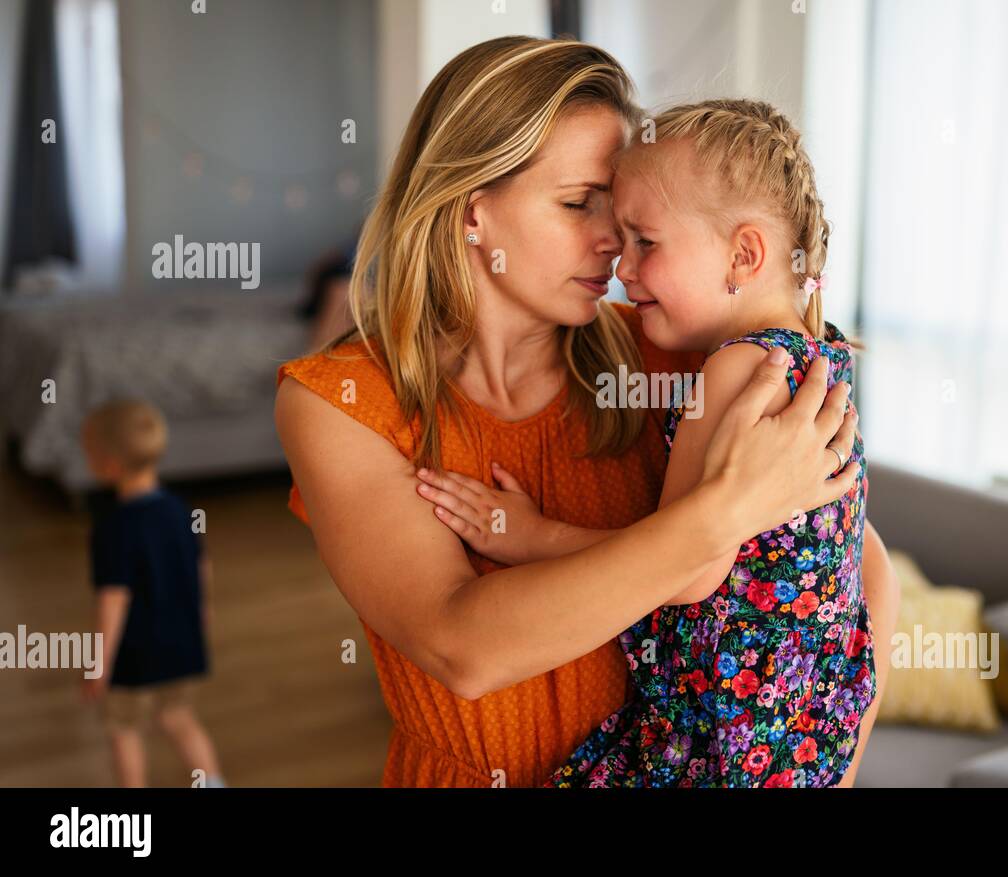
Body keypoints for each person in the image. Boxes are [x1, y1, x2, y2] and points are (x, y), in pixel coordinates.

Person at [274, 36, 896, 788]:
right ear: (474, 212)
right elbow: (461, 645)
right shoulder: (341, 401)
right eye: (579, 204)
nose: (612, 244)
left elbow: (860, 557)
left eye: (629, 216)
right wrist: (724, 512)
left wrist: (834, 765)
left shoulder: (665, 348)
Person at [418, 99, 874, 787]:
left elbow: (689, 564)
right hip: (802, 732)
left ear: (743, 253)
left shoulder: (734, 369)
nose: (621, 267)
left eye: (646, 242)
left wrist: (531, 535)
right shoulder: (821, 354)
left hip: (720, 743)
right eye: (588, 211)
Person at [80, 399, 225, 788]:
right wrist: (202, 611)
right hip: (181, 641)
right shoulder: (180, 509)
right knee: (179, 717)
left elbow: (113, 601)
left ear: (108, 464)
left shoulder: (112, 528)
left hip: (135, 655)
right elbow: (201, 565)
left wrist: (99, 662)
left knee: (124, 728)